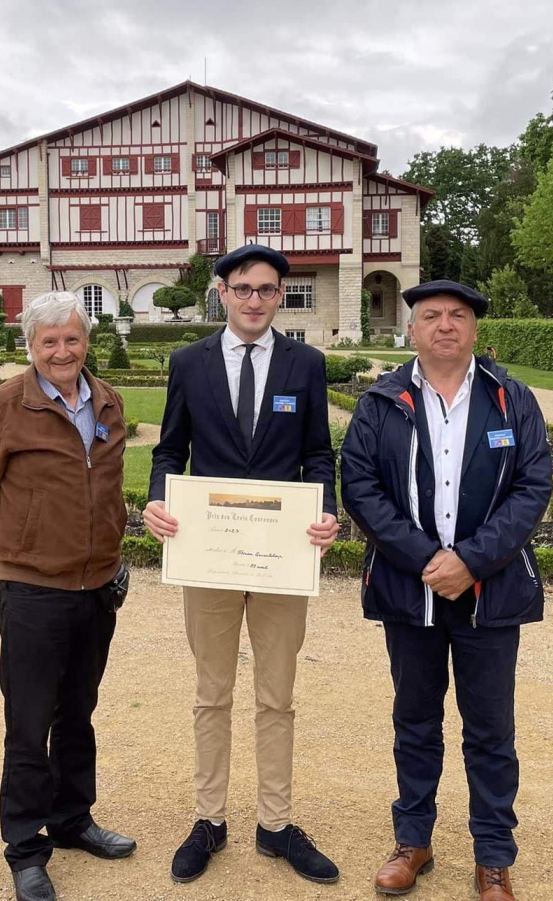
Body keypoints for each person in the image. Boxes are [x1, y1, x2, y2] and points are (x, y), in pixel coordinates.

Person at [340, 279, 553, 901]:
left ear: (475, 330)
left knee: (490, 730)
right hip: (412, 591)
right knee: (415, 720)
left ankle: (493, 856)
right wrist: (427, 558)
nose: (445, 325)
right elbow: (360, 487)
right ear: (412, 330)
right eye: (430, 315)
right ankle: (413, 842)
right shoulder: (382, 402)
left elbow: (532, 488)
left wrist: (471, 562)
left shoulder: (512, 400)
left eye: (458, 316)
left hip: (492, 592)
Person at [143, 243, 341, 886]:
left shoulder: (306, 363)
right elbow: (170, 451)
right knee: (211, 692)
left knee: (277, 694)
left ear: (280, 296)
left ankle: (276, 824)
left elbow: (318, 455)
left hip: (282, 556)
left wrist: (327, 512)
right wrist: (156, 499)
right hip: (210, 550)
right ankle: (209, 820)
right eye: (243, 288)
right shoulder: (189, 362)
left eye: (267, 290)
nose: (255, 300)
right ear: (222, 293)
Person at [0, 291, 135, 901]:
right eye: (49, 341)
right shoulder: (0, 406)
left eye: (72, 339)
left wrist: (107, 555)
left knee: (78, 714)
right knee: (28, 725)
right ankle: (27, 849)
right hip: (33, 592)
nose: (62, 351)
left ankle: (74, 819)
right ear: (30, 346)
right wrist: (18, 555)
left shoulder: (108, 401)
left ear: (87, 343)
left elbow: (109, 494)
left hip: (97, 588)